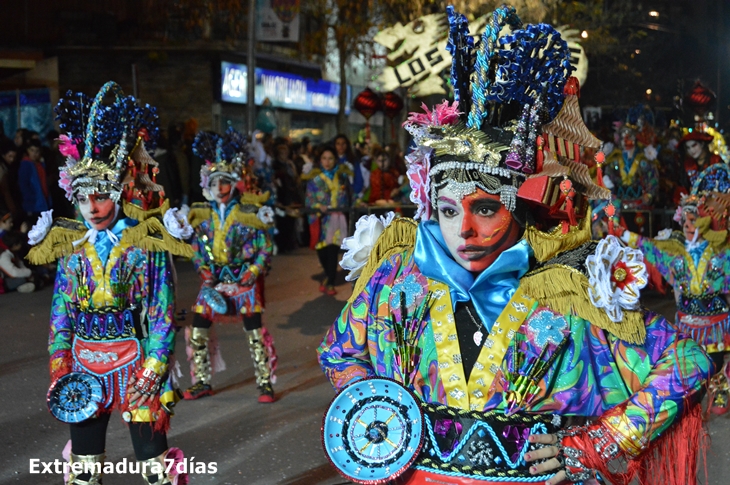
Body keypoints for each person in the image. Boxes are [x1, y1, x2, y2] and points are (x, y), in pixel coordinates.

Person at [318, 6, 712, 485]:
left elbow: (687, 361)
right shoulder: (398, 276)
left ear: (518, 208)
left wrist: (596, 443)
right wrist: (376, 410)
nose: (462, 229)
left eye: (484, 208)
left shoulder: (565, 292)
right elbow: (339, 352)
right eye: (446, 210)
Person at [27, 82, 193, 485]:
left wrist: (154, 370)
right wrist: (59, 363)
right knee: (84, 470)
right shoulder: (71, 245)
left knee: (155, 469)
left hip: (136, 362)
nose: (92, 208)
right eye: (83, 199)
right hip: (83, 366)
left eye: (101, 196)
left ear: (118, 193)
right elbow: (61, 314)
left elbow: (161, 312)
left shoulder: (144, 241)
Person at [621, 164, 730, 414]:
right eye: (686, 221)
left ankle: (720, 387)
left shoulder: (720, 252)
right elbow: (649, 247)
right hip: (687, 321)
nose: (690, 226)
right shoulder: (676, 252)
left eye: (695, 220)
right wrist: (621, 233)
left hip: (716, 321)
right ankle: (691, 396)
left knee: (714, 363)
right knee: (688, 365)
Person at [184, 127, 277, 403]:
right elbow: (196, 248)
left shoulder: (250, 214)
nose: (219, 189)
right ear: (208, 186)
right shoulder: (201, 215)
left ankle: (264, 383)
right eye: (214, 183)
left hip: (244, 279)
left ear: (234, 183)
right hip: (213, 279)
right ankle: (201, 380)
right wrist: (202, 270)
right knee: (198, 328)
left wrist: (252, 272)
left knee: (255, 332)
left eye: (224, 182)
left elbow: (265, 247)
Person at [304, 146, 351, 296]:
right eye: (324, 158)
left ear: (335, 160)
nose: (327, 162)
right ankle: (328, 276)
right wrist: (318, 206)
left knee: (333, 250)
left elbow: (349, 196)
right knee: (322, 251)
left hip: (337, 219)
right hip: (321, 220)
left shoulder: (342, 177)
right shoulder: (315, 179)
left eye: (330, 158)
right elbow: (309, 199)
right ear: (320, 160)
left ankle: (330, 282)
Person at [18, 138, 53, 222]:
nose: (34, 154)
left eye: (36, 151)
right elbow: (23, 184)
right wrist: (30, 199)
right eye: (32, 150)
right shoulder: (26, 164)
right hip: (34, 204)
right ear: (28, 150)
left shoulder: (40, 164)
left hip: (43, 201)